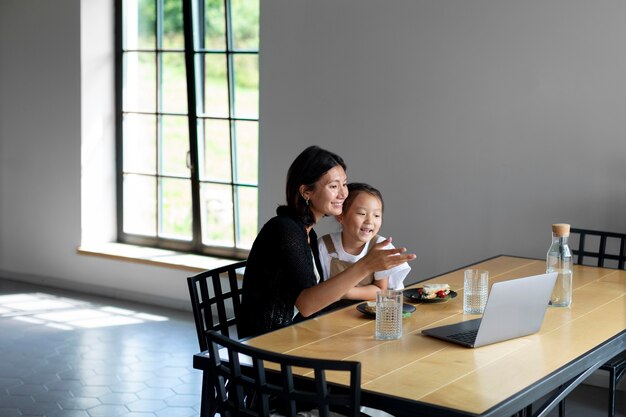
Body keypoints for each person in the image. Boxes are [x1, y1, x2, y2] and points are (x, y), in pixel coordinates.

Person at [239, 146, 416, 338]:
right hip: (268, 345)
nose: (343, 194)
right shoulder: (284, 230)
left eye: (344, 184)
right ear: (307, 192)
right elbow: (307, 305)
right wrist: (365, 266)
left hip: (299, 332)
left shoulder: (307, 233)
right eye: (333, 186)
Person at [317, 182, 411, 303]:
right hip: (331, 312)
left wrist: (342, 292)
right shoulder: (325, 245)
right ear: (340, 216)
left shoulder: (380, 246)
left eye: (376, 215)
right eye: (362, 213)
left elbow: (381, 289)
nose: (370, 221)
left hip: (369, 312)